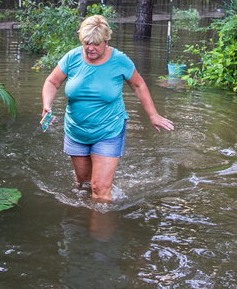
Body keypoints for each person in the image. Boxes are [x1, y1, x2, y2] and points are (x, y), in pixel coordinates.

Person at [41, 15, 174, 202]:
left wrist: (153, 115)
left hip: (108, 130)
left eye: (96, 44)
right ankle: (80, 224)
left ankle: (100, 230)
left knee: (100, 188)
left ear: (106, 41)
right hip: (76, 131)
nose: (90, 48)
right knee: (82, 183)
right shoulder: (72, 58)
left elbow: (139, 85)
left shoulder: (120, 61)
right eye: (86, 43)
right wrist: (47, 105)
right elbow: (52, 82)